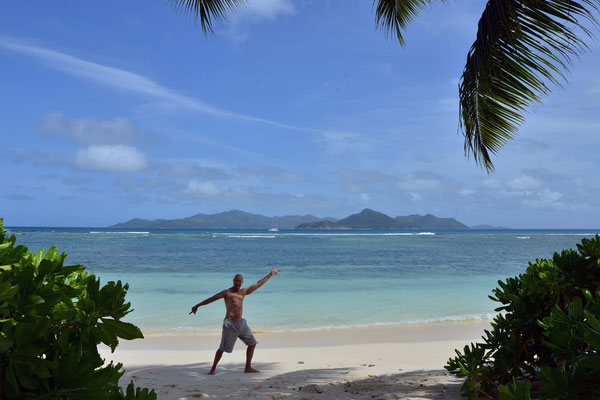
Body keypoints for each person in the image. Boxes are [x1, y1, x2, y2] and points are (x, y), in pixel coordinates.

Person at [189, 268, 280, 374]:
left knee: (252, 343)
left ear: (242, 282)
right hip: (230, 324)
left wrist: (270, 274)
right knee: (222, 348)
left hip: (241, 323)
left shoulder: (244, 292)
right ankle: (213, 369)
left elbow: (258, 284)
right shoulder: (227, 293)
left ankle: (248, 367)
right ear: (233, 281)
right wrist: (197, 306)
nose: (238, 283)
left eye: (240, 281)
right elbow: (212, 298)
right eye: (236, 280)